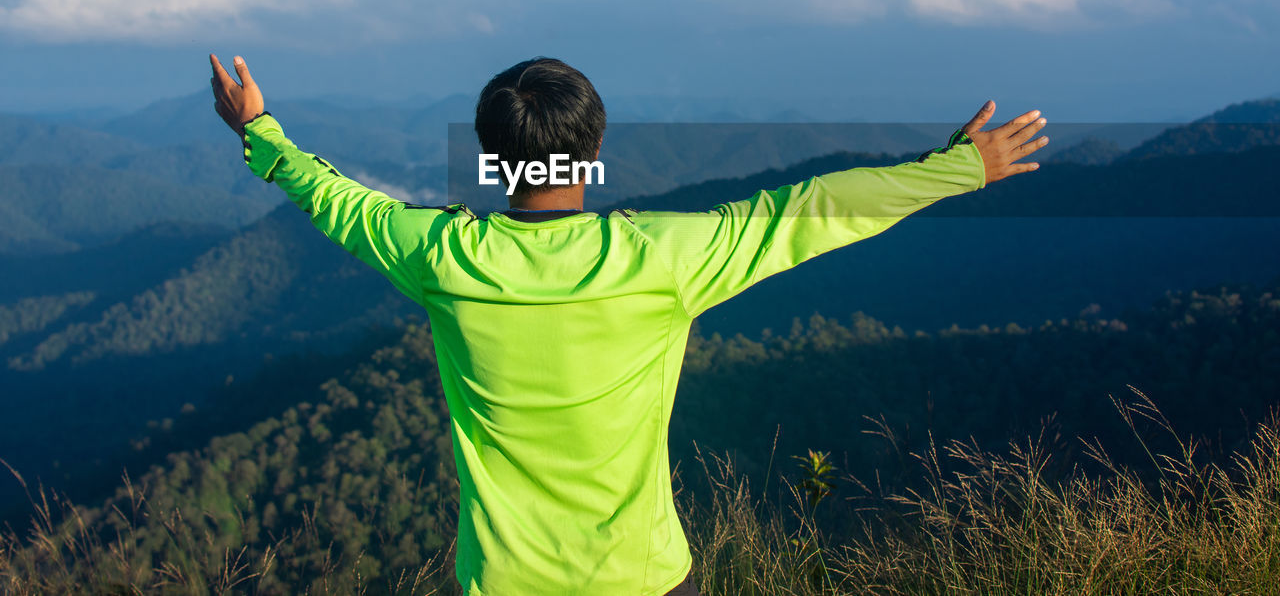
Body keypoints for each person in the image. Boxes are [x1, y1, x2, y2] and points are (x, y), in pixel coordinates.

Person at [210, 53, 1048, 596]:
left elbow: (334, 197)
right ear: (595, 146)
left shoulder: (441, 257)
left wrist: (258, 130)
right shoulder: (660, 259)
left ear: (492, 156)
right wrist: (957, 168)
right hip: (643, 578)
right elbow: (815, 209)